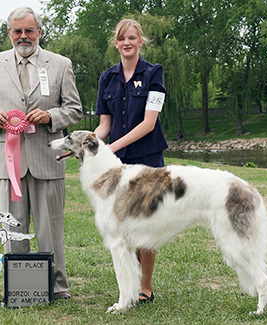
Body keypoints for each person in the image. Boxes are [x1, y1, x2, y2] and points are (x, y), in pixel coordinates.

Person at [0, 7, 83, 299]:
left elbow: (74, 109)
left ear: (39, 31)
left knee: (50, 228)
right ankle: (21, 287)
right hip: (9, 162)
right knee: (13, 227)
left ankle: (57, 286)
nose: (23, 37)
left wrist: (50, 117)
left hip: (48, 159)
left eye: (29, 30)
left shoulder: (61, 64)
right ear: (9, 33)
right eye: (17, 31)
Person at [94, 19, 168, 303]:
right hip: (116, 164)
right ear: (116, 43)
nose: (127, 43)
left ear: (140, 42)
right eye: (122, 38)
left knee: (147, 223)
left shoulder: (154, 73)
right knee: (123, 225)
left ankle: (145, 288)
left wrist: (111, 146)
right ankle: (129, 284)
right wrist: (92, 143)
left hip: (147, 158)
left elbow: (149, 123)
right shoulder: (107, 79)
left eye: (132, 38)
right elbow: (103, 125)